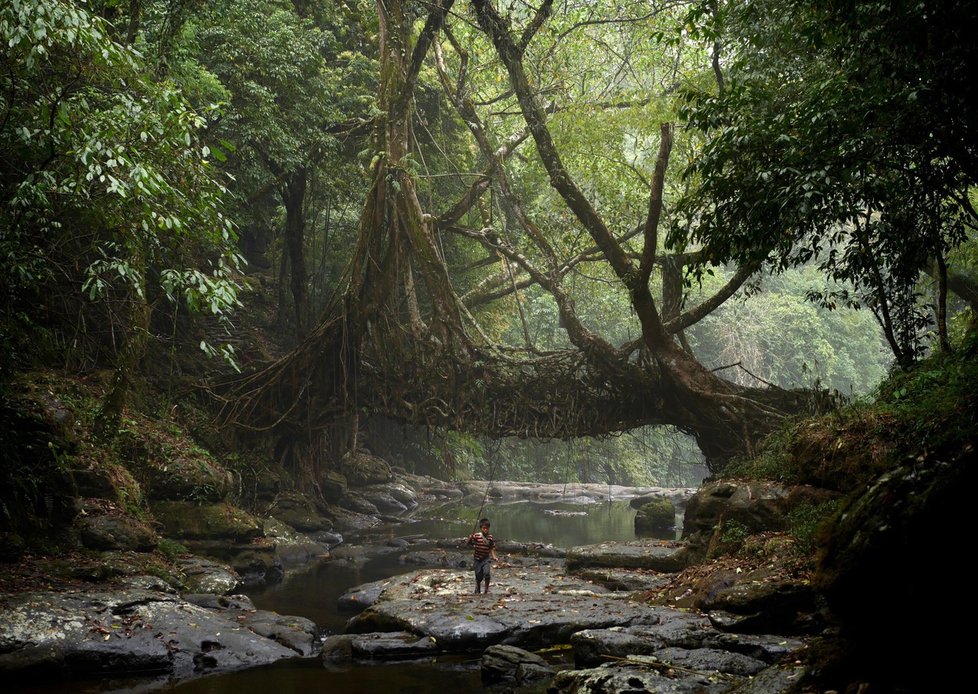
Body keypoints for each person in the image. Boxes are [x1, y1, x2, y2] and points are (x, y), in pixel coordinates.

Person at [467, 517, 497, 594]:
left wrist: (494, 556)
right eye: (484, 528)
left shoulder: (490, 537)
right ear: (481, 528)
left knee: (487, 574)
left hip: (486, 559)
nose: (485, 530)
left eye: (487, 528)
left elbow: (491, 548)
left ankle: (486, 590)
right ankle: (478, 587)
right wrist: (470, 538)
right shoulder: (476, 536)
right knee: (478, 576)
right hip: (477, 559)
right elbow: (468, 544)